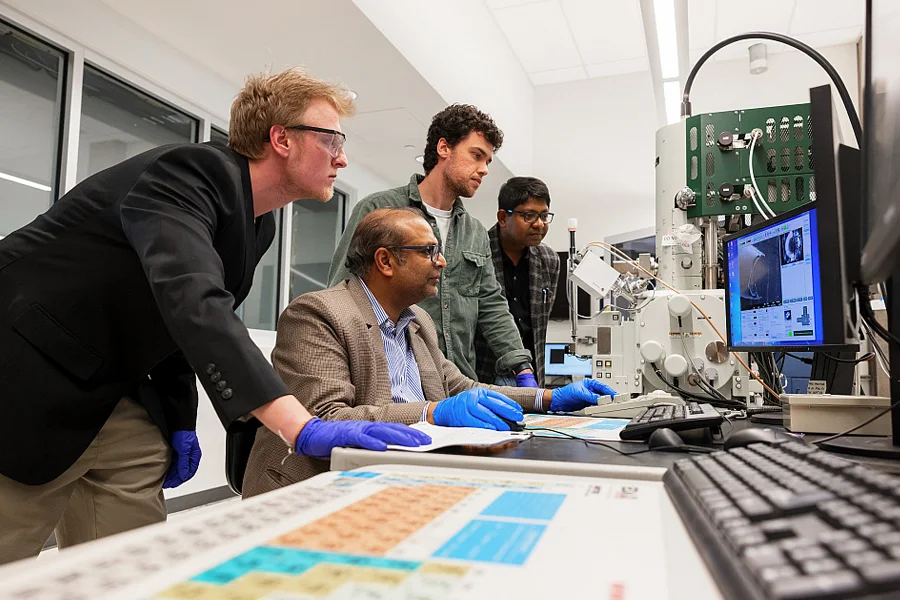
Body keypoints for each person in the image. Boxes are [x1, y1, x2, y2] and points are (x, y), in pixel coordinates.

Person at [0, 68, 428, 565]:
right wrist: (299, 425)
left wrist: (179, 419)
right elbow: (194, 300)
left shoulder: (258, 223)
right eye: (331, 138)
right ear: (281, 138)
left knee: (130, 562)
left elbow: (176, 325)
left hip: (110, 387)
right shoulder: (187, 174)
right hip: (24, 373)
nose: (343, 157)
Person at [243, 208, 613, 497]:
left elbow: (461, 388)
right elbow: (328, 419)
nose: (442, 262)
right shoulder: (318, 313)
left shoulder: (417, 319)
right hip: (317, 489)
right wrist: (431, 413)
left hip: (400, 472)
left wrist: (548, 397)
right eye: (428, 251)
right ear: (385, 261)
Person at [327, 104, 539, 388]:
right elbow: (342, 293)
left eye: (488, 161)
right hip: (395, 385)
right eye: (476, 156)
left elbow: (490, 303)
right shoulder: (380, 209)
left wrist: (521, 367)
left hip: (459, 384)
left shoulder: (475, 231)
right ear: (444, 148)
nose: (484, 170)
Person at [475, 177, 560, 386]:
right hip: (483, 373)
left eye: (544, 215)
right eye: (529, 215)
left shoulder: (549, 260)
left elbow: (540, 327)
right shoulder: (476, 254)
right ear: (503, 217)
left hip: (530, 375)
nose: (539, 224)